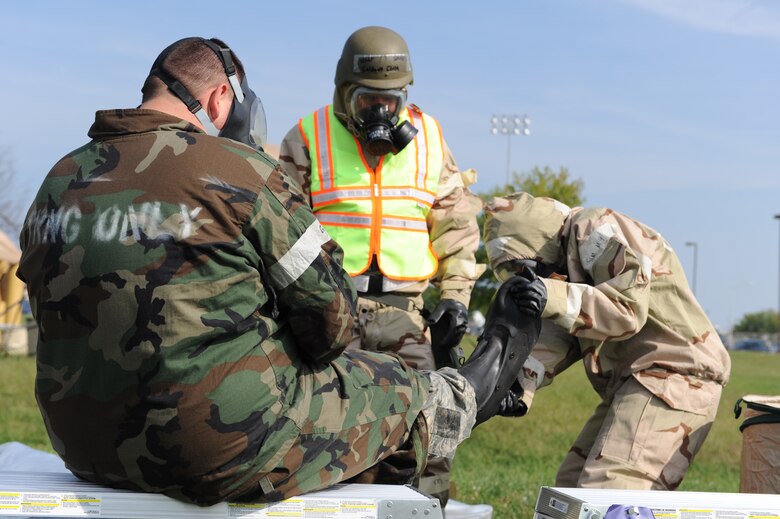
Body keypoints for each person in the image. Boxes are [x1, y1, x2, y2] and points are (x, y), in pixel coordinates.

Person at [17, 36, 538, 508]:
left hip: (84, 447)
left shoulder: (59, 180)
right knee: (397, 387)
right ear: (221, 99)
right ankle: (468, 392)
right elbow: (334, 325)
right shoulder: (240, 171)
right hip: (215, 448)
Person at [278, 26, 483, 508]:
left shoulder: (430, 140)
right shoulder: (308, 137)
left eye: (393, 101)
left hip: (406, 314)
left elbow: (457, 232)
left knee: (430, 427)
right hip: (331, 310)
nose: (382, 112)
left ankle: (425, 512)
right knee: (325, 427)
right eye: (369, 100)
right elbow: (282, 229)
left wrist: (455, 300)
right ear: (344, 93)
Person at [482, 192, 731, 490]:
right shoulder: (567, 265)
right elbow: (562, 333)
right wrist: (516, 385)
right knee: (570, 485)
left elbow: (626, 310)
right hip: (641, 381)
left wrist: (551, 295)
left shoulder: (592, 228)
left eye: (520, 266)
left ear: (538, 242)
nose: (521, 277)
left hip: (676, 377)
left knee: (609, 488)